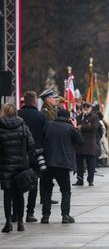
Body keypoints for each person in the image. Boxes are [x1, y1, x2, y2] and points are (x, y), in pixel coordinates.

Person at [41, 109, 82, 224]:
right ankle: (65, 215)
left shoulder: (48, 126)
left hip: (48, 162)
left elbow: (42, 139)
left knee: (47, 190)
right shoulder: (69, 128)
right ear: (68, 118)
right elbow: (80, 141)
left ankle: (45, 215)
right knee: (65, 190)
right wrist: (75, 127)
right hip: (62, 164)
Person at [0, 103, 34, 233]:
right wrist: (24, 155)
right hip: (21, 165)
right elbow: (31, 144)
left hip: (5, 166)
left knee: (7, 195)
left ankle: (8, 222)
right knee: (19, 194)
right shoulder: (23, 126)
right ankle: (20, 222)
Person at [18, 91, 47, 223]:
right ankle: (30, 213)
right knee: (33, 184)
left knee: (17, 184)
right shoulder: (41, 116)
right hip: (36, 154)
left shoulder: (17, 115)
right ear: (35, 101)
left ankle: (15, 214)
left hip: (18, 154)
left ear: (24, 101)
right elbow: (45, 135)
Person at [39, 89, 59, 205]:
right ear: (47, 99)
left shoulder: (52, 110)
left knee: (48, 174)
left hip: (51, 144)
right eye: (53, 98)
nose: (55, 99)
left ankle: (47, 196)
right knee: (45, 174)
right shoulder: (46, 111)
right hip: (47, 145)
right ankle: (44, 196)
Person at [73, 102, 100, 186]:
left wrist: (81, 127)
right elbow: (74, 126)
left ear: (91, 108)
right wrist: (83, 126)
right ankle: (80, 179)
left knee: (90, 165)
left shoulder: (94, 117)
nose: (86, 108)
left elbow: (93, 127)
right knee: (79, 164)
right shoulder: (79, 117)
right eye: (84, 107)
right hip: (80, 144)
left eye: (88, 107)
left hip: (89, 144)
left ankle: (90, 180)